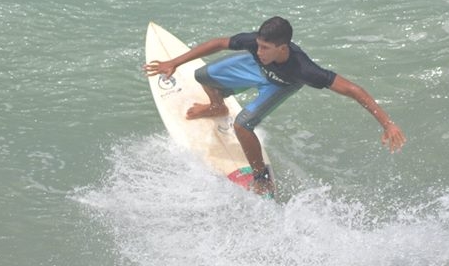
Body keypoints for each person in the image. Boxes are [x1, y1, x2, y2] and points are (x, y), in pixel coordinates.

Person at [143, 17, 406, 195]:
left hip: (280, 83)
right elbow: (219, 43)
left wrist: (387, 123)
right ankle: (217, 106)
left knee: (243, 124)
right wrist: (175, 62)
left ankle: (261, 177)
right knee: (202, 75)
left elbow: (352, 90)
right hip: (256, 71)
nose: (259, 50)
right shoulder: (256, 48)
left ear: (282, 48)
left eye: (266, 48)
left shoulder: (303, 69)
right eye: (258, 45)